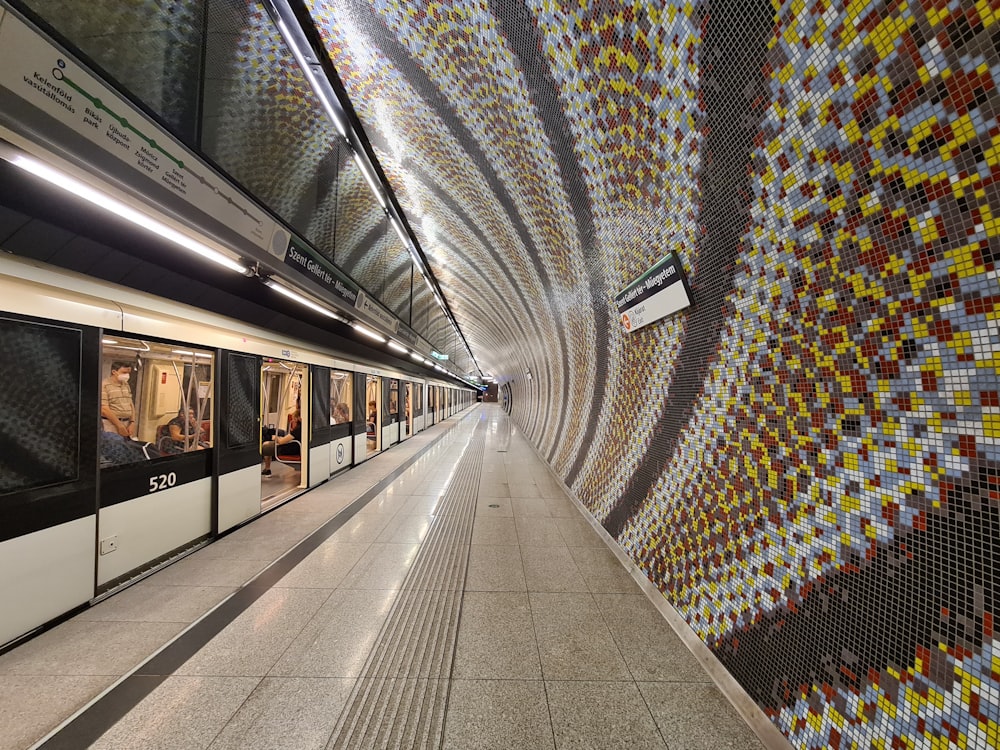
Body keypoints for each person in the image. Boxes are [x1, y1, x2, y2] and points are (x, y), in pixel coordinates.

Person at [101, 361, 136, 437]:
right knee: (113, 446)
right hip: (111, 424)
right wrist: (119, 425)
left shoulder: (126, 384)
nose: (127, 375)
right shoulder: (104, 385)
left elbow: (130, 404)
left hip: (127, 422)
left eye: (128, 373)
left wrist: (132, 422)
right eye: (124, 372)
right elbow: (104, 409)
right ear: (114, 372)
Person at [261, 409, 301, 475]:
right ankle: (267, 469)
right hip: (292, 446)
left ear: (297, 418)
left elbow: (282, 442)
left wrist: (276, 438)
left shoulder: (298, 429)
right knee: (268, 444)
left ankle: (267, 469)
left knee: (265, 446)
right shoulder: (302, 427)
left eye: (294, 418)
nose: (293, 420)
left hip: (289, 449)